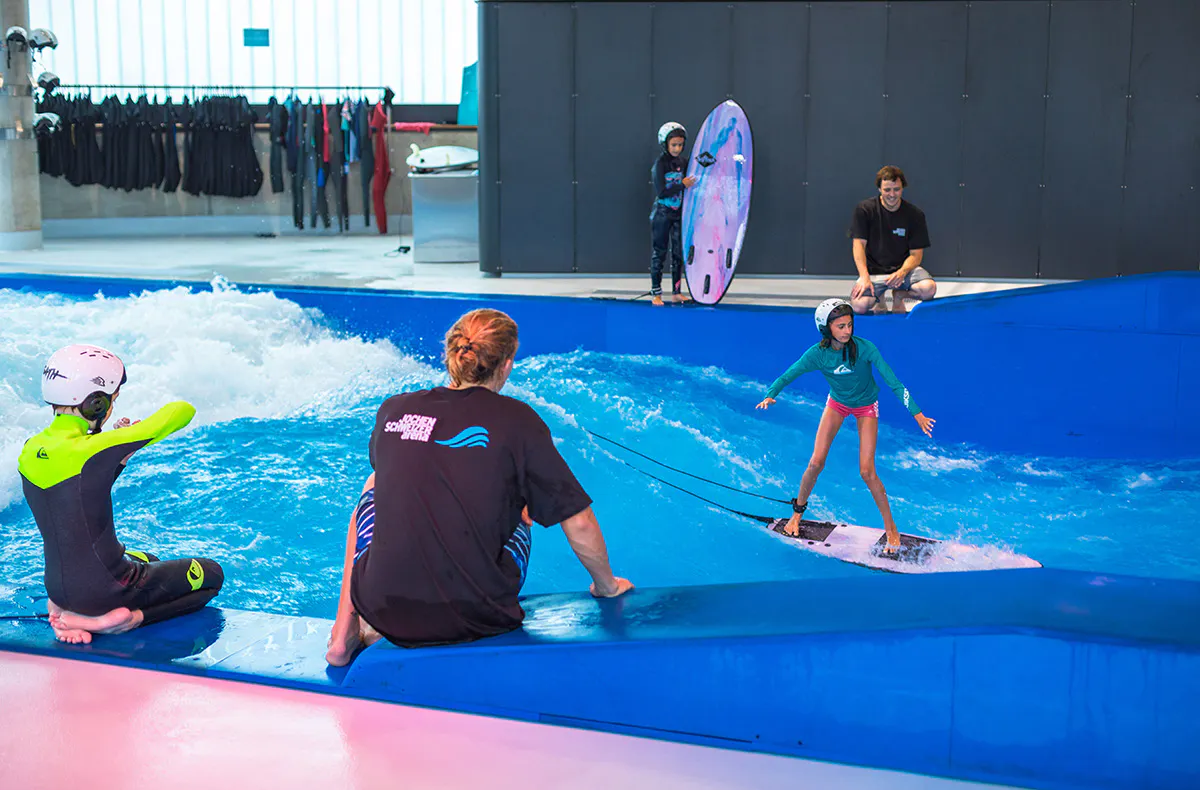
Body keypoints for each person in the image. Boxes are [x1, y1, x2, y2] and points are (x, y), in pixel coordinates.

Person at [326, 309, 633, 665]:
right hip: (478, 615)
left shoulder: (394, 410)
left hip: (385, 611)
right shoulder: (518, 419)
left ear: (450, 354)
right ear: (505, 365)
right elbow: (577, 521)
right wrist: (607, 586)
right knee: (520, 511)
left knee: (373, 486)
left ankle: (344, 634)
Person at [18, 344, 224, 645]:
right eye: (111, 400)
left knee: (149, 559)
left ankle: (67, 609)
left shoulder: (30, 449)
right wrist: (126, 439)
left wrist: (118, 455)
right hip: (108, 590)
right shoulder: (97, 448)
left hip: (58, 588)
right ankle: (124, 620)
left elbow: (75, 496)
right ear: (96, 405)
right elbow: (182, 411)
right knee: (211, 575)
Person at [755, 299, 935, 553]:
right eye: (841, 326)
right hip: (837, 404)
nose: (847, 331)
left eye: (849, 325)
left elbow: (894, 383)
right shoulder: (817, 354)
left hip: (865, 406)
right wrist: (771, 393)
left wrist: (917, 413)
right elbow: (789, 374)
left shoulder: (865, 348)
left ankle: (891, 529)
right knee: (816, 462)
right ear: (826, 329)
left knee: (867, 472)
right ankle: (797, 513)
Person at [849, 165, 936, 315]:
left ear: (902, 188)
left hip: (903, 272)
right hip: (873, 272)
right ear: (879, 189)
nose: (892, 194)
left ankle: (899, 295)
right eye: (887, 190)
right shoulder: (864, 210)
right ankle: (879, 298)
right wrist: (864, 277)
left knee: (929, 289)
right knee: (859, 306)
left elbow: (916, 255)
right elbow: (858, 246)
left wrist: (902, 272)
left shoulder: (915, 215)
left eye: (896, 189)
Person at [649, 121, 697, 306]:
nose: (677, 148)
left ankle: (676, 292)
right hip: (662, 213)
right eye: (674, 145)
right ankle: (656, 292)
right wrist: (681, 185)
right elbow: (661, 191)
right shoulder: (660, 164)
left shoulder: (683, 163)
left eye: (680, 144)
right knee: (659, 252)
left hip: (678, 214)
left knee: (678, 253)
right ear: (665, 144)